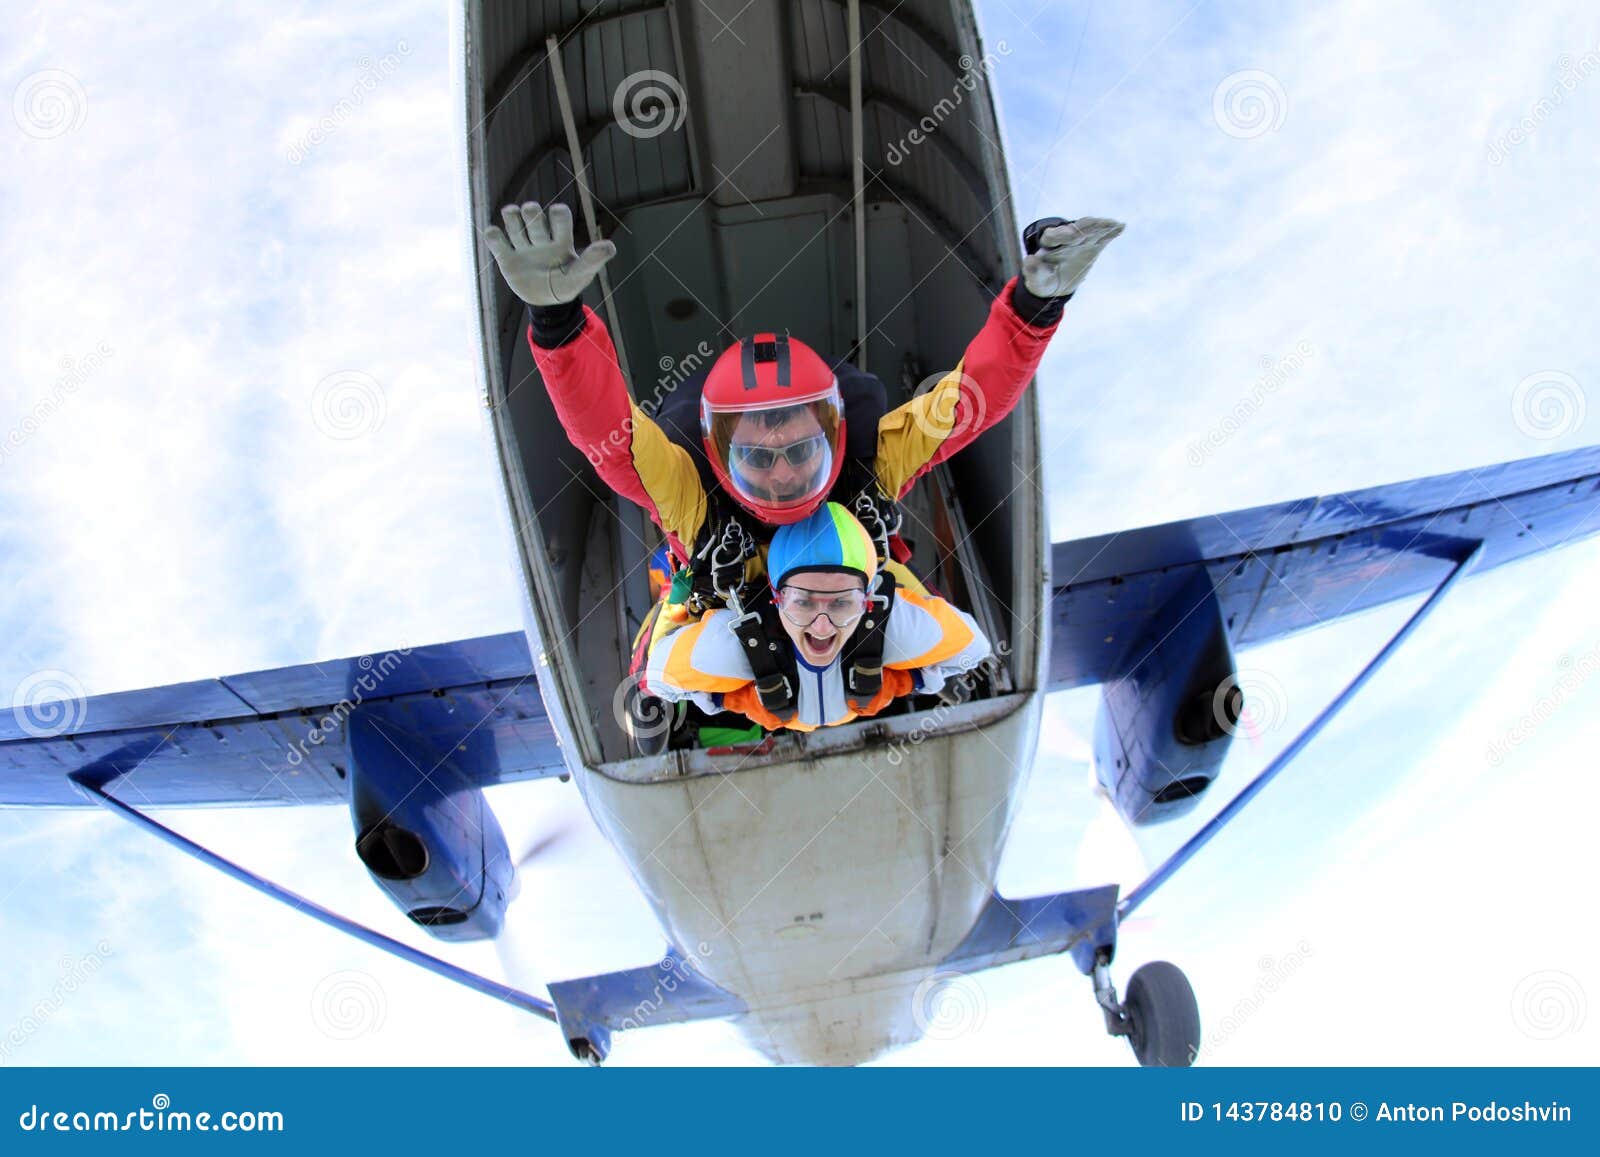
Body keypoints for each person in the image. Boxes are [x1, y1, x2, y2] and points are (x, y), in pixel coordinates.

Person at [481, 201, 1124, 607]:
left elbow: (968, 402)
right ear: (716, 453)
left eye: (798, 451)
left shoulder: (873, 459)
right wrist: (558, 323)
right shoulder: (689, 491)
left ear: (836, 434)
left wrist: (1036, 306)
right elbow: (612, 435)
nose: (785, 474)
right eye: (759, 459)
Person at [642, 503, 992, 732]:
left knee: (894, 576)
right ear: (775, 600)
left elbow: (973, 647)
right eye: (803, 603)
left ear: (868, 602)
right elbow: (657, 674)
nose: (821, 626)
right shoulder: (733, 647)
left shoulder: (897, 627)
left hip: (837, 673)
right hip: (780, 658)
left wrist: (910, 680)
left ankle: (883, 570)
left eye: (841, 603)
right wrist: (725, 697)